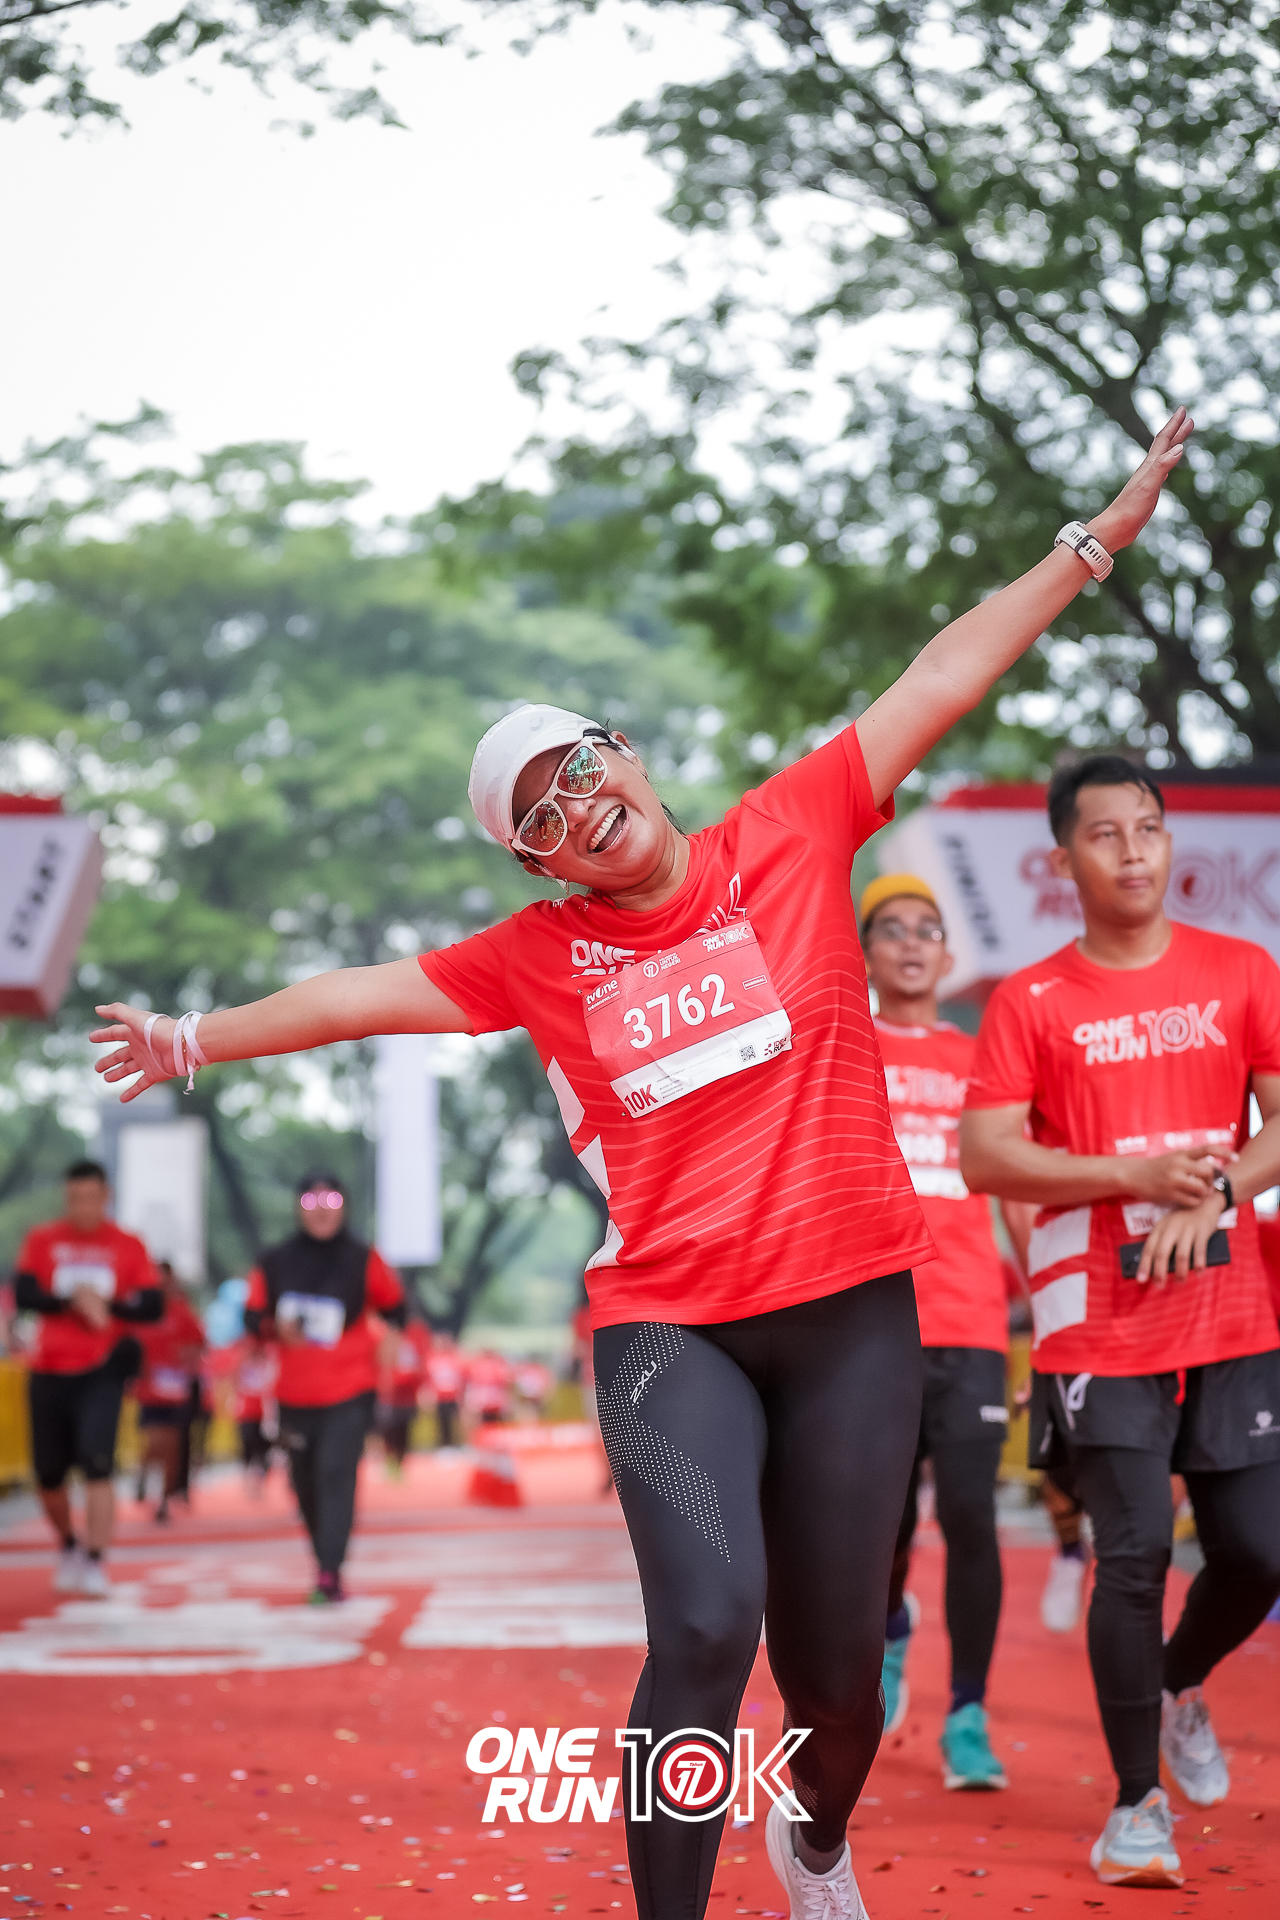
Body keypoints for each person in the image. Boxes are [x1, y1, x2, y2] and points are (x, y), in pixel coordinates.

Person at [90, 413, 1191, 1920]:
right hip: (672, 1326)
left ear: (626, 753)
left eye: (577, 768)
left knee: (835, 1690)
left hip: (852, 1313)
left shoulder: (792, 829)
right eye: (538, 818)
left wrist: (1090, 546)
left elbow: (941, 673)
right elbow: (355, 998)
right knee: (704, 1630)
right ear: (537, 864)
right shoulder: (535, 956)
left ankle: (813, 1839)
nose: (575, 808)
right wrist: (190, 1038)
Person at [960, 753, 1280, 1892]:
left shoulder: (1241, 970)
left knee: (1258, 1552)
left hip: (1232, 1303)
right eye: (1105, 835)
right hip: (1095, 1316)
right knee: (1132, 1554)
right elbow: (984, 1153)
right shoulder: (1031, 1001)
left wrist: (1220, 1191)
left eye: (1147, 828)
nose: (1133, 851)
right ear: (1064, 862)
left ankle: (1179, 1681)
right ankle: (1135, 1805)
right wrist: (1128, 1174)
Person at [861, 872, 1031, 1791]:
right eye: (892, 928)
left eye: (927, 928)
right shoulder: (845, 1049)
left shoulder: (981, 1061)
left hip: (970, 1322)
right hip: (871, 1326)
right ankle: (889, 1631)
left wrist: (1050, 1316)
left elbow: (1018, 1193)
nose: (912, 942)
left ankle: (968, 1714)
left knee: (970, 1516)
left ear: (948, 955)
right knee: (883, 1524)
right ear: (868, 954)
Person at [241, 1175, 406, 1602]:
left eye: (331, 1199)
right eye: (311, 1200)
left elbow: (396, 1307)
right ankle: (324, 1561)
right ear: (298, 1206)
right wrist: (273, 1328)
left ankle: (330, 1571)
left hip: (351, 1389)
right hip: (294, 1393)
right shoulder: (274, 1261)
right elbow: (251, 1316)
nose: (321, 1209)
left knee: (336, 1473)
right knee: (304, 1483)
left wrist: (390, 1341)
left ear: (344, 1206)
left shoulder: (363, 1258)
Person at [12, 1159, 162, 1596]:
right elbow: (24, 1293)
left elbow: (152, 1306)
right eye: (73, 1198)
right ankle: (68, 1544)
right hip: (47, 1369)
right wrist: (71, 1301)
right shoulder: (43, 1239)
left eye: (90, 1198)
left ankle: (96, 1558)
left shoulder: (127, 1244)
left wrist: (106, 1307)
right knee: (48, 1475)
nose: (81, 1207)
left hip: (101, 1368)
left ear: (105, 1197)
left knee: (98, 1464)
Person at [134, 1259, 205, 1522]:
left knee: (173, 1445)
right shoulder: (139, 1312)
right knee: (155, 1441)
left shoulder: (181, 1311)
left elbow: (199, 1344)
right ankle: (142, 1473)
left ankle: (164, 1500)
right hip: (149, 1389)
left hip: (175, 1390)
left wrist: (185, 1354)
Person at [377, 1313, 432, 1473]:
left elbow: (421, 1365)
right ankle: (389, 1461)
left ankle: (400, 1463)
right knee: (388, 1430)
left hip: (408, 1396)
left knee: (404, 1431)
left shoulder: (415, 1337)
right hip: (388, 1395)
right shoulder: (384, 1335)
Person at [425, 1332, 466, 1450]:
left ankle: (455, 1444)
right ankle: (442, 1445)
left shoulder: (454, 1359)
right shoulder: (432, 1359)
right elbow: (429, 1379)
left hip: (453, 1396)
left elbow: (460, 1378)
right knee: (440, 1422)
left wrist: (461, 1395)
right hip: (439, 1397)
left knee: (454, 1421)